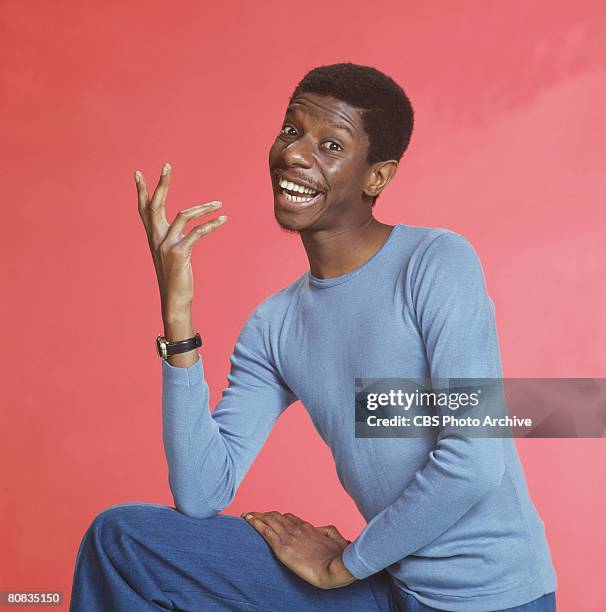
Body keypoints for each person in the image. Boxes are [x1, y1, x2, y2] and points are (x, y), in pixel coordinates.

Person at [70, 63, 557, 611]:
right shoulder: (274, 324)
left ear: (377, 176)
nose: (295, 155)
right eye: (290, 131)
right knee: (125, 542)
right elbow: (202, 492)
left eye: (330, 144)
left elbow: (473, 462)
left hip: (492, 600)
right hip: (388, 587)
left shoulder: (437, 262)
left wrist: (345, 564)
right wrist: (177, 318)